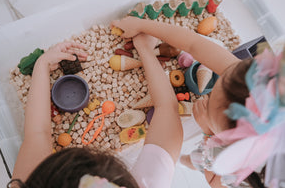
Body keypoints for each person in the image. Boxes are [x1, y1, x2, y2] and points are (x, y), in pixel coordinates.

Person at [111, 16, 283, 188]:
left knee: (197, 160)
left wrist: (208, 133)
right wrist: (142, 25)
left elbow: (214, 181)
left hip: (216, 158)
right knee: (195, 158)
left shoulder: (233, 170)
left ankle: (186, 161)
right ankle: (185, 160)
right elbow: (194, 44)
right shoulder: (254, 86)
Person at [9, 33, 183, 187]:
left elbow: (38, 133)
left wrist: (43, 65)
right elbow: (167, 109)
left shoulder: (34, 180)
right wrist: (145, 49)